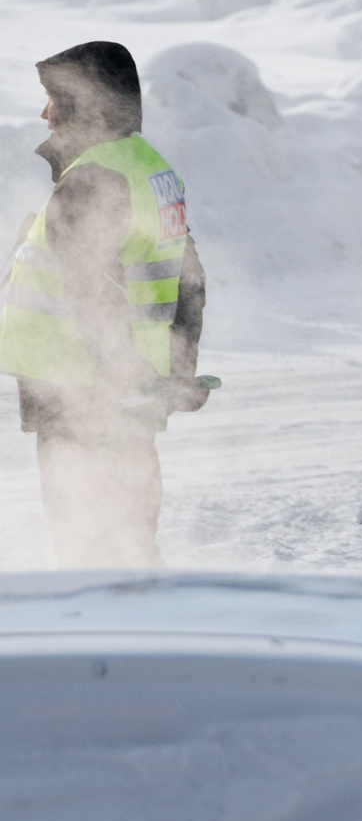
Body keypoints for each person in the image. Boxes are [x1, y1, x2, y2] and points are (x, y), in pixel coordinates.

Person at [0, 42, 207, 566]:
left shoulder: (92, 180)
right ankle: (145, 625)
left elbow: (92, 294)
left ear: (83, 104)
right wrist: (175, 370)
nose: (44, 112)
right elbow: (190, 281)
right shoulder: (149, 169)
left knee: (85, 544)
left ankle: (105, 635)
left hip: (80, 390)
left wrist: (122, 375)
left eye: (54, 99)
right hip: (123, 388)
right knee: (130, 534)